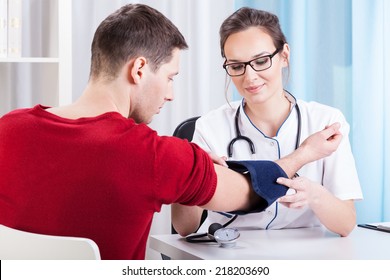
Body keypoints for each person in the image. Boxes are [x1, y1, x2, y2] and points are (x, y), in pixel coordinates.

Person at [0, 4, 341, 260]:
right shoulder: (154, 154)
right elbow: (252, 191)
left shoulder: (8, 128)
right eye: (170, 77)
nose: (170, 94)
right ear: (139, 69)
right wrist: (305, 154)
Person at [172, 7, 362, 238]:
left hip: (306, 256)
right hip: (231, 255)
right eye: (236, 66)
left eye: (261, 61)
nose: (249, 77)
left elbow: (346, 224)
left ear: (284, 56)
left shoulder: (326, 122)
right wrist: (191, 177)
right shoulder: (210, 126)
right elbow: (184, 228)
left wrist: (315, 194)